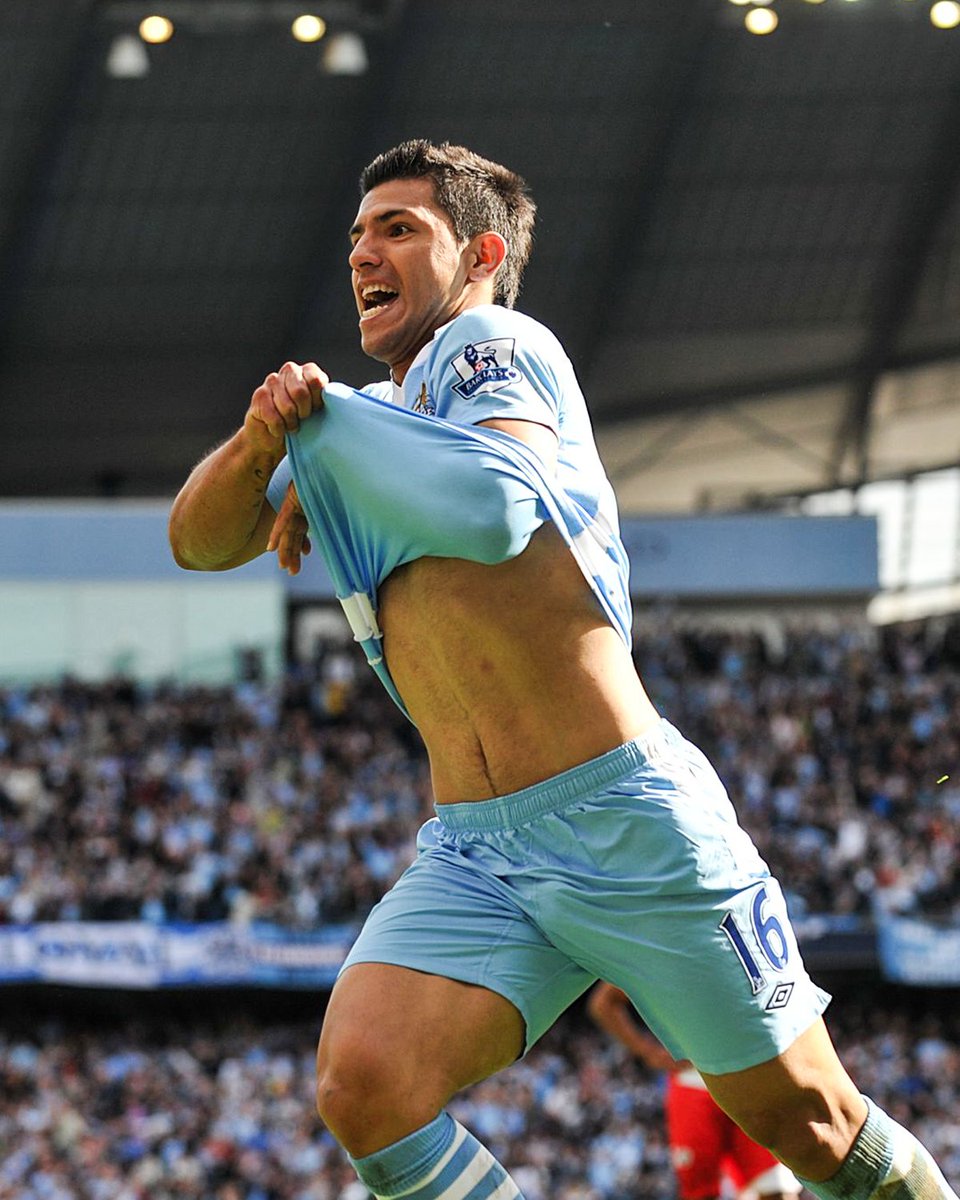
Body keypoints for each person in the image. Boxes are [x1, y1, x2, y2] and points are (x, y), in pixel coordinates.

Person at [168, 139, 957, 1200]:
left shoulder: (493, 341)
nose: (366, 250)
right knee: (367, 1085)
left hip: (628, 821)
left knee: (816, 1129)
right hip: (478, 851)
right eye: (359, 233)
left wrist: (339, 434)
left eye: (400, 228)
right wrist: (271, 438)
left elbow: (495, 509)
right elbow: (200, 541)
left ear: (481, 253)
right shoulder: (362, 422)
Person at [588, 982, 802, 1200]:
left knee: (777, 1188)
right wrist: (647, 1051)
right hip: (694, 1080)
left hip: (751, 1073)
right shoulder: (662, 950)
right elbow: (604, 1002)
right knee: (701, 1192)